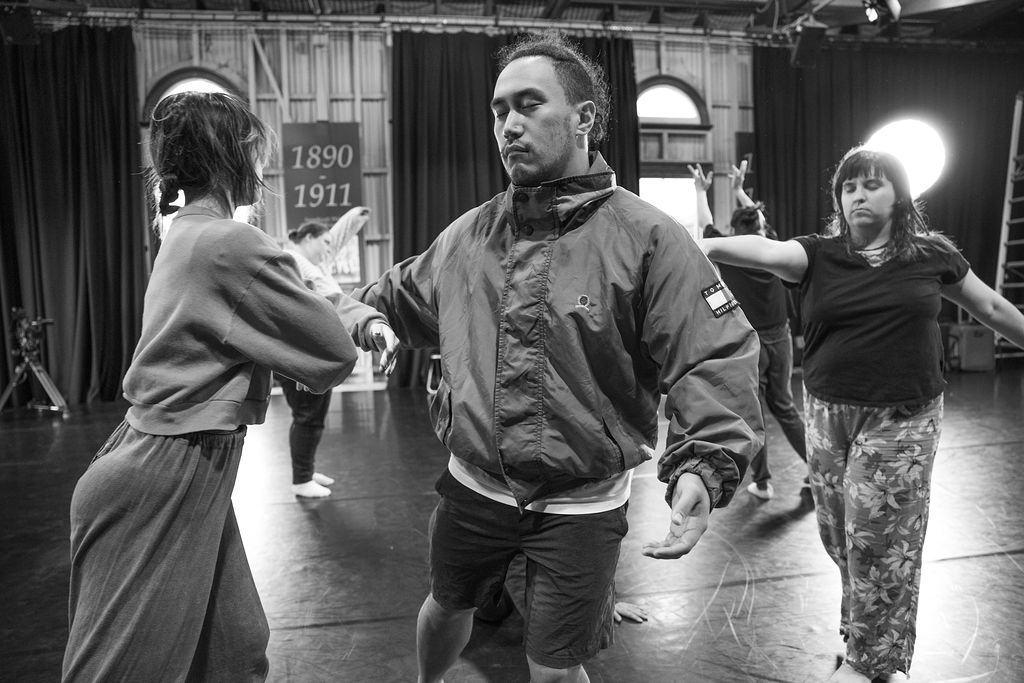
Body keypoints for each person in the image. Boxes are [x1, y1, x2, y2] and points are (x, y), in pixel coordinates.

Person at [353, 32, 763, 683]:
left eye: (528, 104)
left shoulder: (648, 238)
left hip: (581, 503)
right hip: (474, 485)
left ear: (584, 118)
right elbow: (396, 295)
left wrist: (707, 463)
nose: (509, 124)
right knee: (446, 604)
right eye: (498, 110)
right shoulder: (469, 235)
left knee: (553, 667)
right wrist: (367, 316)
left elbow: (713, 353)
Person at [61, 91, 399, 682]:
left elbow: (292, 286)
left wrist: (360, 316)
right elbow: (326, 348)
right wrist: (359, 324)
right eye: (255, 151)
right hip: (168, 469)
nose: (261, 168)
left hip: (167, 460)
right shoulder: (228, 242)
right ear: (232, 154)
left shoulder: (186, 232)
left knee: (235, 649)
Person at [702, 146, 1024, 682]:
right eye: (849, 187)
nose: (858, 195)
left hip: (903, 415)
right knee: (840, 535)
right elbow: (759, 250)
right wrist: (695, 241)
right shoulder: (817, 255)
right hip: (828, 412)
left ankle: (871, 663)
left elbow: (990, 308)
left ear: (898, 195)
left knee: (880, 536)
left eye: (872, 184)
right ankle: (865, 631)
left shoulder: (930, 254)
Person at [691, 161, 808, 501]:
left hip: (752, 343)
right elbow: (758, 221)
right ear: (761, 228)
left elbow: (705, 224)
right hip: (781, 337)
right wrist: (741, 190)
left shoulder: (732, 252)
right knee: (784, 406)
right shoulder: (773, 250)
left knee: (754, 414)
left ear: (735, 231)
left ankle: (763, 481)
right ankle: (817, 472)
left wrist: (701, 190)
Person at [278, 211, 371, 498]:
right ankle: (301, 480)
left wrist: (355, 218)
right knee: (308, 416)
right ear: (308, 238)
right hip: (302, 357)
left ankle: (305, 471)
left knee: (310, 416)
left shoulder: (313, 262)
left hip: (312, 355)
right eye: (324, 243)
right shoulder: (293, 262)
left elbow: (337, 239)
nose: (329, 249)